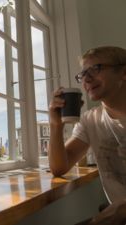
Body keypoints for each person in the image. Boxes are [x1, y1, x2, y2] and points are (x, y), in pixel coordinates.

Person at [48, 46, 126, 225]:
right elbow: (59, 167)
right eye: (83, 74)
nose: (87, 79)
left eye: (96, 68)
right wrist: (55, 124)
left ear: (123, 72)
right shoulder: (91, 120)